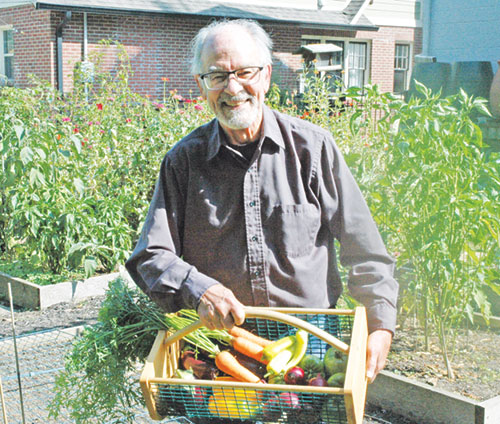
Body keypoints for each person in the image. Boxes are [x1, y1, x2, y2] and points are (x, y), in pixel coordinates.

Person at [125, 19, 398, 383]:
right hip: (220, 346)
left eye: (244, 72)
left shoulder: (312, 149)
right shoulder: (183, 162)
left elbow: (365, 250)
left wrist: (380, 326)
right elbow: (150, 255)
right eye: (218, 76)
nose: (233, 87)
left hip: (309, 341)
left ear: (266, 76)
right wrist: (199, 289)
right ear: (201, 86)